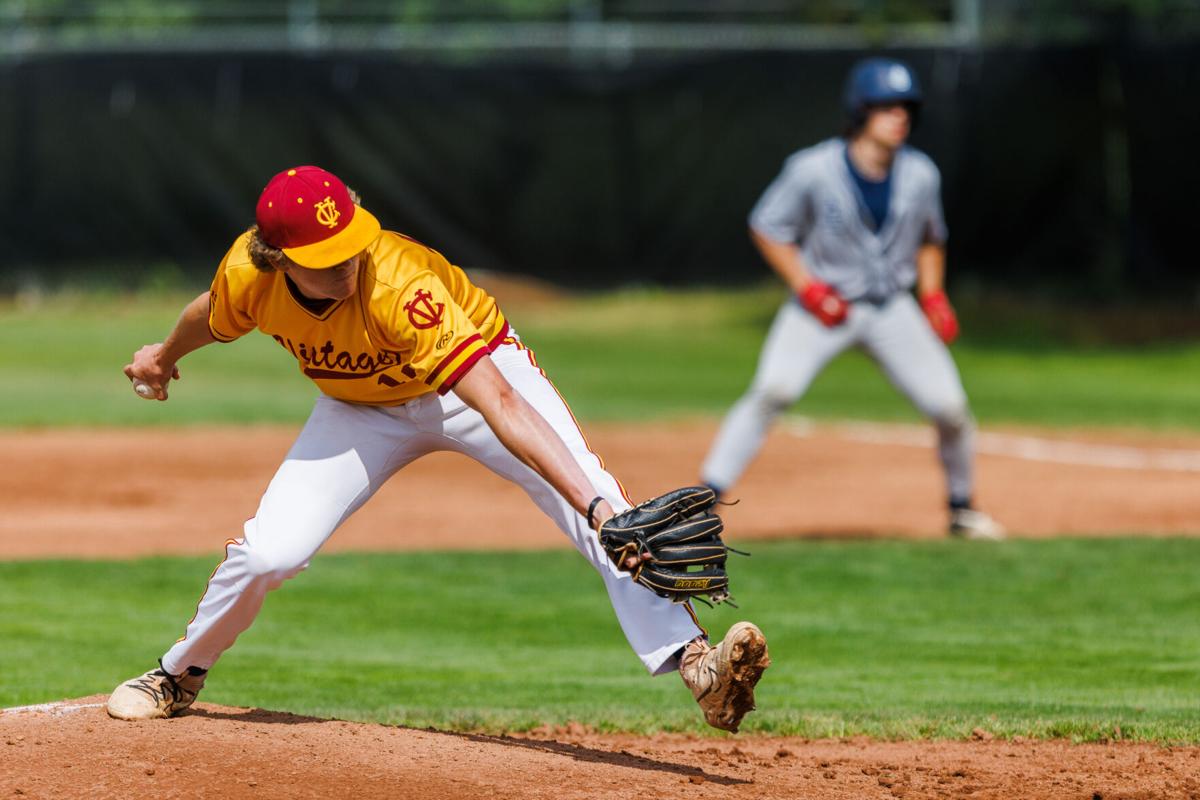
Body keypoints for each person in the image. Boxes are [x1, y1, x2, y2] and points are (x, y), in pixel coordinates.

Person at [107, 165, 770, 732]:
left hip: (475, 380)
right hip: (359, 406)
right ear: (277, 258)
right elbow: (212, 313)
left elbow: (500, 403)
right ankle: (178, 675)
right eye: (324, 257)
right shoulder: (248, 276)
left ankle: (696, 667)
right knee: (268, 552)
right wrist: (162, 358)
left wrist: (597, 507)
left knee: (600, 509)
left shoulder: (399, 285)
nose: (345, 262)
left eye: (350, 244)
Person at [701, 58, 1003, 540]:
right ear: (859, 111)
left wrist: (933, 295)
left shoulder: (920, 174)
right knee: (774, 390)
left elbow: (931, 237)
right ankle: (704, 500)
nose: (899, 115)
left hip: (890, 307)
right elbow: (768, 227)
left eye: (906, 107)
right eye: (887, 106)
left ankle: (962, 509)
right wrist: (808, 287)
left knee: (950, 407)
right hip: (823, 307)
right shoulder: (812, 170)